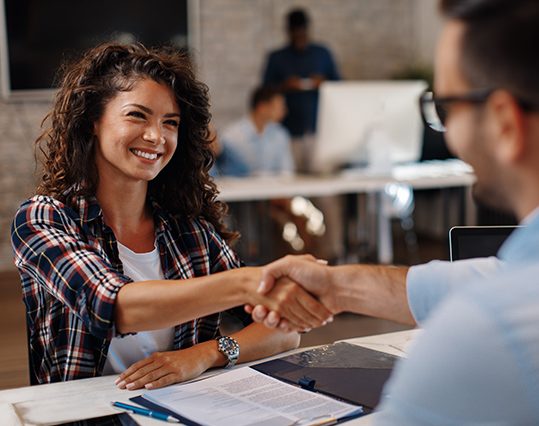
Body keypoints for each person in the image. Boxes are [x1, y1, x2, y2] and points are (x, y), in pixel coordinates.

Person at [251, 0, 539, 422]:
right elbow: (475, 279)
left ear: (504, 124)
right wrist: (335, 286)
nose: (446, 131)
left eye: (446, 108)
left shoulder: (485, 336)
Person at [10, 42, 333, 388]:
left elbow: (284, 332)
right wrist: (249, 283)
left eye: (171, 122)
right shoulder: (42, 218)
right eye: (138, 115)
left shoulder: (190, 232)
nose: (156, 136)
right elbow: (116, 307)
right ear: (93, 121)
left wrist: (206, 354)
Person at [262, 8, 340, 172]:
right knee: (292, 181)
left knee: (324, 187)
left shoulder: (322, 53)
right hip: (288, 131)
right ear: (288, 32)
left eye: (302, 32)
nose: (299, 36)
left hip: (319, 129)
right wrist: (285, 86)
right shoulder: (277, 57)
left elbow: (340, 86)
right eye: (295, 32)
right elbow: (264, 91)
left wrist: (323, 83)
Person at [219, 86, 295, 176]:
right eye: (279, 106)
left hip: (274, 189)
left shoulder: (281, 135)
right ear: (262, 107)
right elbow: (226, 174)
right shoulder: (231, 136)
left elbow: (287, 172)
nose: (284, 111)